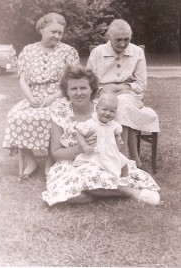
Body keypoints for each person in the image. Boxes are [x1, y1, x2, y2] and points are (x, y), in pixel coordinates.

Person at [42, 64, 160, 206]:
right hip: (73, 164)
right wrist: (82, 147)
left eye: (83, 88)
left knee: (77, 191)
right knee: (68, 193)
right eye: (73, 88)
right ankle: (127, 192)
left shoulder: (104, 109)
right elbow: (56, 154)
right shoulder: (60, 112)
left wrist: (119, 158)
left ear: (92, 89)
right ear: (66, 91)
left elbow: (117, 140)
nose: (79, 93)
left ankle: (104, 189)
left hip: (104, 159)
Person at [3, 13, 80, 179]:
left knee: (54, 118)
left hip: (59, 96)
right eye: (53, 31)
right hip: (33, 97)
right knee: (16, 116)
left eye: (60, 33)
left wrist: (54, 97)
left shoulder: (68, 51)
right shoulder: (28, 50)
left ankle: (51, 160)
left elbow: (73, 81)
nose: (57, 36)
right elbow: (22, 79)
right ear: (42, 29)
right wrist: (30, 98)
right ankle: (31, 161)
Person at [87, 19, 160, 168]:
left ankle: (121, 155)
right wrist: (105, 89)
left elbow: (141, 84)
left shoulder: (137, 52)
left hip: (130, 95)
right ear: (109, 36)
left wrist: (125, 87)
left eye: (126, 39)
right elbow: (89, 82)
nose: (122, 43)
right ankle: (131, 156)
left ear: (131, 37)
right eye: (118, 39)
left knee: (122, 103)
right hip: (102, 96)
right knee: (118, 104)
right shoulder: (98, 52)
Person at [73, 92, 129, 178]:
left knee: (124, 164)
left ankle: (125, 180)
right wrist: (85, 146)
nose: (108, 113)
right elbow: (79, 133)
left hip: (110, 153)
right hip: (96, 154)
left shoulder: (113, 124)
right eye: (105, 109)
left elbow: (117, 133)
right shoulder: (91, 124)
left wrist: (119, 140)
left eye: (112, 111)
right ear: (97, 109)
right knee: (95, 171)